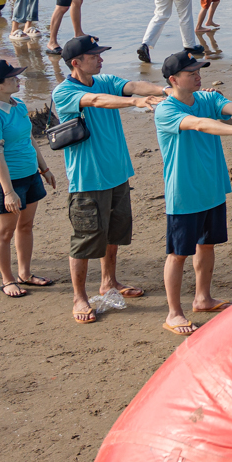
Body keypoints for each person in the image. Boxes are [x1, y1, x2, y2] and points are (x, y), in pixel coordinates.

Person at [151, 51, 232, 335]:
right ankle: (173, 313)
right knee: (178, 254)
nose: (198, 76)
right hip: (184, 193)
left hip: (213, 187)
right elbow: (199, 124)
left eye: (199, 71)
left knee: (207, 245)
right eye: (191, 73)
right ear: (173, 80)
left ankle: (203, 298)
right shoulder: (166, 110)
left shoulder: (206, 99)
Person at [50, 35, 163, 325]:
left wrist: (165, 90)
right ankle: (79, 297)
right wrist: (135, 102)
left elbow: (134, 85)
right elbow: (96, 101)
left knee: (115, 234)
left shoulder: (105, 80)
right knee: (85, 240)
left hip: (117, 173)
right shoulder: (64, 91)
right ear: (76, 63)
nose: (100, 59)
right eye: (94, 56)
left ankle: (109, 282)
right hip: (88, 179)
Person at [0, 60, 56, 299]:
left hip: (30, 175)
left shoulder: (18, 105)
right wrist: (8, 192)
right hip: (7, 181)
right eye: (12, 78)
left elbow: (29, 139)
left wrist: (44, 169)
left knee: (26, 226)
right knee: (5, 232)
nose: (18, 80)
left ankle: (25, 273)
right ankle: (7, 280)